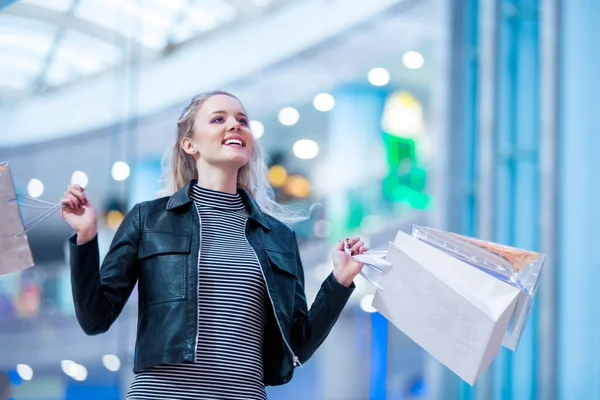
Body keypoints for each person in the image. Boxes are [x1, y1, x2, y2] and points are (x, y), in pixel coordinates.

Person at [60, 91, 368, 399]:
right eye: (219, 119)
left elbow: (298, 344)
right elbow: (95, 319)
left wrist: (339, 281)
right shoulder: (149, 219)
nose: (235, 125)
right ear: (190, 144)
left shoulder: (278, 237)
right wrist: (86, 237)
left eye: (242, 120)